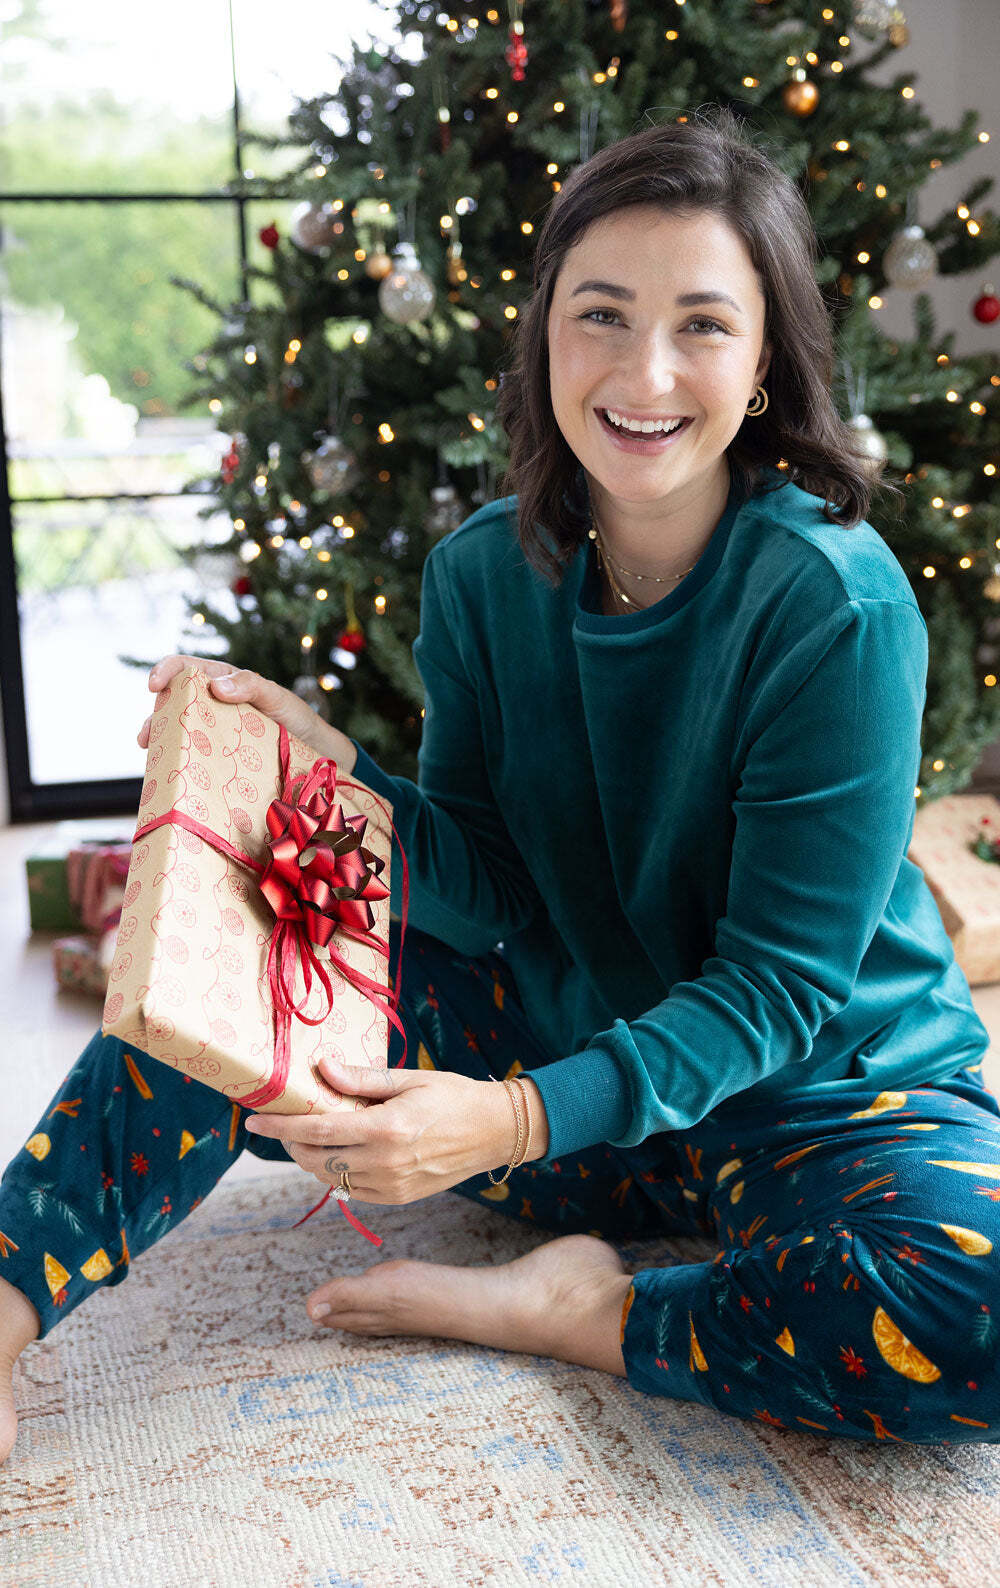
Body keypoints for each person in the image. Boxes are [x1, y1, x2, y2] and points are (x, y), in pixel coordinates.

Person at [3, 105, 1000, 1464]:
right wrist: (341, 780)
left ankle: (581, 1314)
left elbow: (778, 989)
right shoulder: (481, 572)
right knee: (242, 966)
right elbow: (487, 880)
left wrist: (511, 1120)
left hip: (822, 1094)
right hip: (572, 1069)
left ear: (767, 357)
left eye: (704, 324)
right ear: (545, 336)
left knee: (973, 1307)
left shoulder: (838, 605)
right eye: (603, 315)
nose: (646, 370)